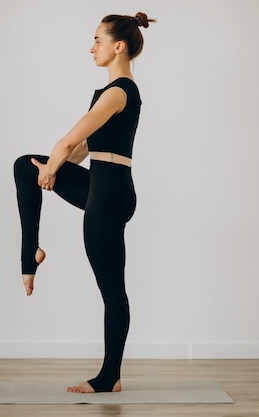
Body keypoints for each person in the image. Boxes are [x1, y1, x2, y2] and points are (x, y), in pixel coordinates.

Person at [13, 12, 155, 393]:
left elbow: (65, 143)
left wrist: (54, 164)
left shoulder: (118, 91)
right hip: (102, 185)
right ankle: (31, 254)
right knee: (26, 167)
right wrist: (50, 169)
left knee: (112, 290)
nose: (92, 47)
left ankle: (110, 377)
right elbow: (81, 149)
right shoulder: (114, 93)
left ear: (118, 46)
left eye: (97, 40)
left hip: (109, 195)